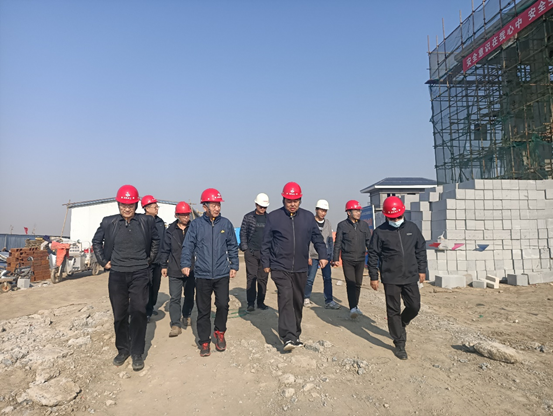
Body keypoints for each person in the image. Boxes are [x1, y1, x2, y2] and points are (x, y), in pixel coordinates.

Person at [92, 185, 159, 371]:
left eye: (130, 205)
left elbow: (156, 241)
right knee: (120, 314)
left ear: (136, 205)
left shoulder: (146, 221)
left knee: (138, 312)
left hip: (140, 273)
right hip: (117, 274)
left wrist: (149, 260)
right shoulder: (109, 222)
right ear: (118, 204)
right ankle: (123, 350)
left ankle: (137, 352)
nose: (127, 208)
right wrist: (103, 261)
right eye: (123, 205)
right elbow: (96, 241)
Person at [261, 182, 327, 352]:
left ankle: (295, 334)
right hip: (280, 266)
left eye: (295, 200)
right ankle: (288, 337)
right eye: (289, 200)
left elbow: (317, 238)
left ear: (300, 200)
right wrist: (266, 263)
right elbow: (266, 243)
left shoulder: (308, 217)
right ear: (283, 199)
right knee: (285, 298)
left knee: (297, 301)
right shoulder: (274, 217)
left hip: (300, 267)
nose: (292, 204)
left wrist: (323, 255)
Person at [180, 188, 239, 357]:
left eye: (218, 205)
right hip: (202, 274)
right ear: (204, 206)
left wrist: (234, 265)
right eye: (213, 205)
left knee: (223, 304)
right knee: (203, 309)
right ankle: (204, 341)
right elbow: (188, 245)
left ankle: (220, 332)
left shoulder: (225, 224)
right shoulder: (196, 225)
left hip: (221, 273)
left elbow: (232, 246)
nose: (217, 208)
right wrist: (185, 263)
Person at [367, 196, 427, 360]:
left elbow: (420, 249)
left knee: (414, 306)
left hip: (410, 275)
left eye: (398, 217)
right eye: (392, 218)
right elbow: (373, 255)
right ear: (386, 216)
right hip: (391, 277)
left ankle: (402, 323)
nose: (396, 220)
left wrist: (422, 269)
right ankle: (399, 343)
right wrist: (374, 276)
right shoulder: (380, 232)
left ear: (402, 213)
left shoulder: (412, 228)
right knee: (393, 310)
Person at [160, 201, 195, 338]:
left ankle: (186, 315)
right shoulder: (170, 231)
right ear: (177, 215)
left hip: (191, 269)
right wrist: (163, 265)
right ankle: (175, 324)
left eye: (187, 215)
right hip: (174, 269)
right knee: (175, 297)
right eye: (183, 215)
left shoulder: (194, 228)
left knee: (189, 295)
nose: (186, 217)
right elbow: (165, 249)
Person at [332, 200, 371, 319]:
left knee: (358, 283)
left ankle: (355, 305)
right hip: (348, 259)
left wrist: (373, 257)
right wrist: (335, 258)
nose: (359, 213)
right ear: (349, 212)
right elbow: (338, 243)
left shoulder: (364, 225)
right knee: (350, 283)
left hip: (360, 259)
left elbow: (369, 242)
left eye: (359, 211)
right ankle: (352, 307)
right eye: (356, 211)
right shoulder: (342, 225)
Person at [304, 199, 339, 309]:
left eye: (325, 211)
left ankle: (329, 300)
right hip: (313, 255)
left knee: (327, 278)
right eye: (321, 210)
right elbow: (306, 240)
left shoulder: (327, 223)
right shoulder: (310, 222)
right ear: (316, 210)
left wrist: (331, 257)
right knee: (310, 278)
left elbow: (330, 241)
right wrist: (308, 256)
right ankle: (306, 297)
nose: (323, 213)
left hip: (325, 256)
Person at [239, 193, 270, 312]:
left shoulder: (269, 219)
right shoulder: (248, 217)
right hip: (251, 253)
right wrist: (245, 248)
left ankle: (261, 302)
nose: (263, 209)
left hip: (264, 254)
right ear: (256, 204)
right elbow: (243, 233)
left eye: (265, 207)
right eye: (261, 206)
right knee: (251, 277)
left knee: (263, 279)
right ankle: (250, 303)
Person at [141, 195, 166, 322]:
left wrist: (164, 261)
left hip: (158, 261)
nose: (157, 209)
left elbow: (164, 242)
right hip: (145, 262)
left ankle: (150, 308)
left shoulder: (160, 222)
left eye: (157, 207)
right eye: (154, 207)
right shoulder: (140, 221)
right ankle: (144, 312)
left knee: (155, 287)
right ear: (146, 208)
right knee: (146, 287)